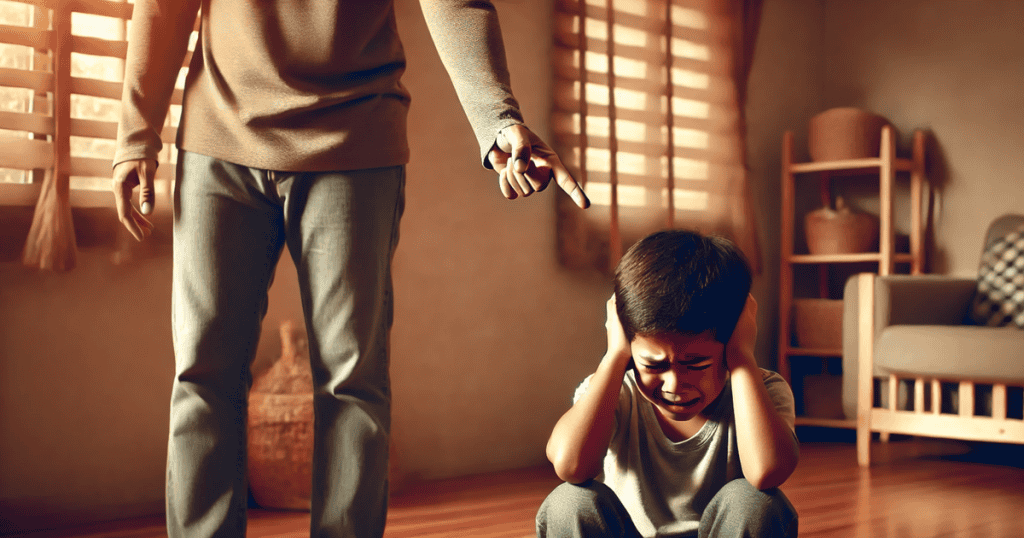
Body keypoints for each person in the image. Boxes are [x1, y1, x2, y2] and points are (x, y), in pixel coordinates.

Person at [109, 1, 589, 537]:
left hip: (355, 141)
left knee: (351, 379)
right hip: (218, 142)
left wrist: (499, 121)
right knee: (204, 373)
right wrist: (136, 132)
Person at [538, 230, 799, 538]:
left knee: (755, 503)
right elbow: (570, 465)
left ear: (731, 341)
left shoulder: (763, 390)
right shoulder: (616, 391)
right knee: (569, 501)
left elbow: (767, 472)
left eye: (695, 364)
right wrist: (614, 356)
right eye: (654, 365)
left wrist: (742, 357)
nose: (674, 384)